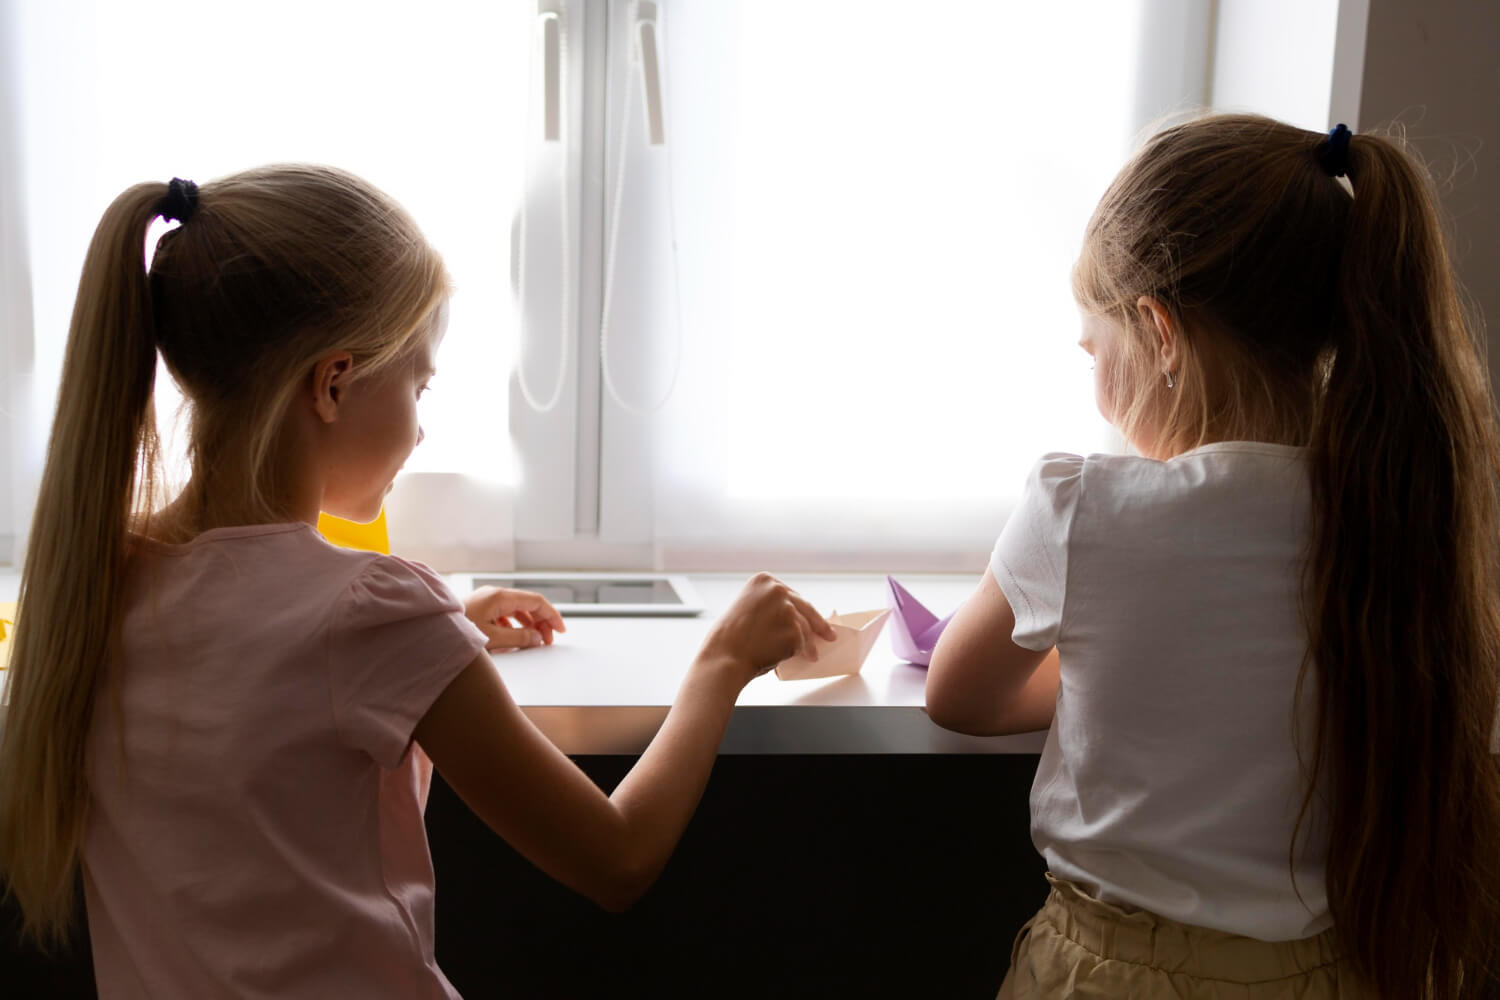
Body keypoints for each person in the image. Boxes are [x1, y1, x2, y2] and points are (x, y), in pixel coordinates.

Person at [0, 165, 836, 998]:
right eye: (418, 383)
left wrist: (444, 635)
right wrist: (721, 662)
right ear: (331, 384)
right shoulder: (373, 611)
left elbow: (262, 676)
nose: (421, 423)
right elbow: (616, 858)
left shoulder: (100, 573)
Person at [926, 115, 1500, 999]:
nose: (1093, 379)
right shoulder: (1396, 517)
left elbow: (958, 693)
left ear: (1158, 335)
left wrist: (1100, 662)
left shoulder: (1081, 507)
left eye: (1095, 348)